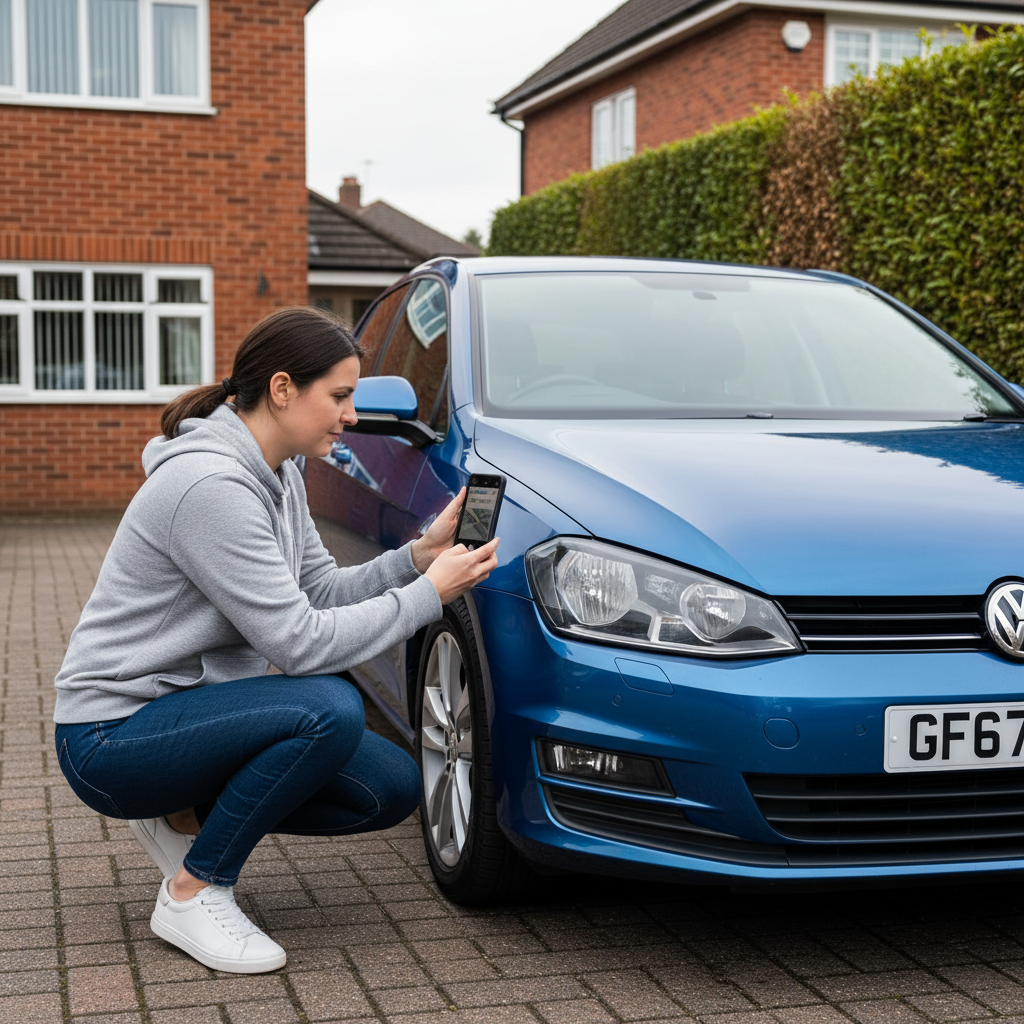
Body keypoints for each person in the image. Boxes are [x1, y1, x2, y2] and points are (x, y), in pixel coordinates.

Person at [52, 306, 498, 974]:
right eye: (340, 396)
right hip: (110, 736)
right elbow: (300, 645)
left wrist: (418, 558)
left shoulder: (280, 469)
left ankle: (181, 814)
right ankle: (192, 891)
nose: (351, 416)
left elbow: (318, 589)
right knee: (327, 708)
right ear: (284, 389)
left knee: (390, 787)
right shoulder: (212, 486)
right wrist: (428, 598)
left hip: (186, 714)